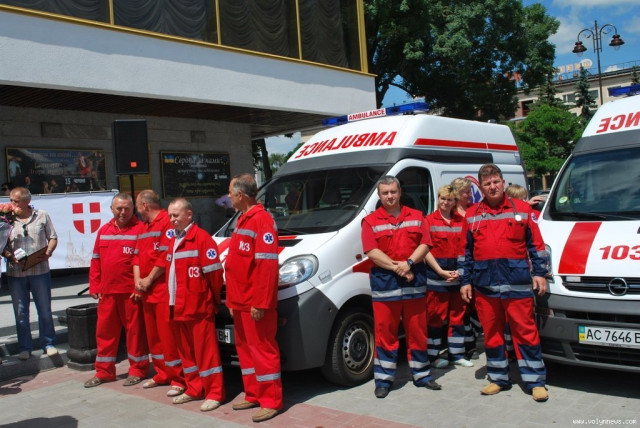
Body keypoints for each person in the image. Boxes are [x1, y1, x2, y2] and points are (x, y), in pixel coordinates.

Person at [458, 164, 549, 402]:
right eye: (487, 184)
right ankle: (498, 378)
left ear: (503, 182)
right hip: (485, 285)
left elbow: (536, 245)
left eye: (496, 182)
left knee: (525, 332)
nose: (492, 187)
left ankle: (535, 381)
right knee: (492, 334)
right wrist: (465, 281)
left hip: (517, 283)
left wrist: (540, 273)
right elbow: (465, 252)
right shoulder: (472, 214)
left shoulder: (522, 209)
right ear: (480, 187)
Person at [361, 175, 440, 399]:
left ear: (400, 192)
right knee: (385, 334)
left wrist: (409, 263)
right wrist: (400, 268)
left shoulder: (416, 216)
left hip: (414, 283)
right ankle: (384, 380)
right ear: (379, 195)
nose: (390, 196)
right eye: (385, 193)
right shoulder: (370, 221)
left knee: (418, 331)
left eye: (393, 192)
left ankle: (422, 375)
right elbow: (371, 251)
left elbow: (425, 243)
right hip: (386, 285)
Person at [149, 197, 225, 412]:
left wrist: (211, 299)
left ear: (189, 215)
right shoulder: (173, 239)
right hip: (177, 306)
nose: (172, 219)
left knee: (206, 354)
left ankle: (214, 393)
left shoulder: (202, 239)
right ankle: (194, 388)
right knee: (187, 353)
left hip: (198, 307)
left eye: (176, 215)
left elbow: (214, 275)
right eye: (170, 216)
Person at [225, 173, 282, 423]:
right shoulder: (243, 219)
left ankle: (271, 401)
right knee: (246, 351)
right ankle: (253, 394)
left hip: (254, 303)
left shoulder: (261, 220)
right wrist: (231, 300)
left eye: (230, 193)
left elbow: (266, 267)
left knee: (263, 350)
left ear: (240, 195)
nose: (228, 197)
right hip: (239, 301)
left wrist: (260, 302)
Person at [84, 193, 149, 388]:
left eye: (127, 208)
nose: (122, 212)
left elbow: (144, 262)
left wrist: (140, 288)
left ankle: (137, 370)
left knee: (135, 334)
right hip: (107, 293)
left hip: (131, 294)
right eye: (119, 208)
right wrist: (95, 285)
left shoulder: (141, 230)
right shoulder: (103, 230)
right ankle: (104, 372)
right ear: (112, 209)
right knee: (104, 334)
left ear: (133, 209)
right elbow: (96, 260)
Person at [133, 190, 186, 398]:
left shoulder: (166, 222)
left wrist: (148, 279)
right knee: (154, 337)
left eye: (137, 206)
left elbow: (165, 256)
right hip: (147, 292)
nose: (137, 210)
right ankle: (162, 373)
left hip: (163, 291)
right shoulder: (144, 227)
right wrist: (138, 282)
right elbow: (136, 256)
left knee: (168, 338)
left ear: (144, 205)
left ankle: (178, 379)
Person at [3, 187, 58, 360]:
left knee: (44, 310)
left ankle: (48, 344)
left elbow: (53, 237)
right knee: (20, 313)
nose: (13, 204)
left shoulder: (41, 215)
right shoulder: (6, 219)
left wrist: (48, 252)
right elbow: (1, 245)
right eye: (11, 200)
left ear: (27, 201)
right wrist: (10, 256)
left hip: (39, 270)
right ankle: (25, 347)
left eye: (16, 201)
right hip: (16, 273)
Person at [424, 185, 473, 369]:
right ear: (438, 199)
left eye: (449, 199)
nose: (445, 202)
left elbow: (466, 249)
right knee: (435, 318)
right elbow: (425, 250)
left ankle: (456, 355)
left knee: (457, 318)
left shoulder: (462, 221)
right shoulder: (428, 220)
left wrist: (461, 272)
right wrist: (440, 271)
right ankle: (432, 357)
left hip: (457, 278)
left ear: (455, 202)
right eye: (442, 198)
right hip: (436, 279)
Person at [451, 176, 480, 360]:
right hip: (454, 265)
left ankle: (473, 339)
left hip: (474, 264)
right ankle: (468, 345)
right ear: (457, 193)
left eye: (470, 191)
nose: (470, 195)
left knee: (475, 307)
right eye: (466, 192)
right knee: (461, 309)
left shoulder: (473, 210)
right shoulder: (450, 212)